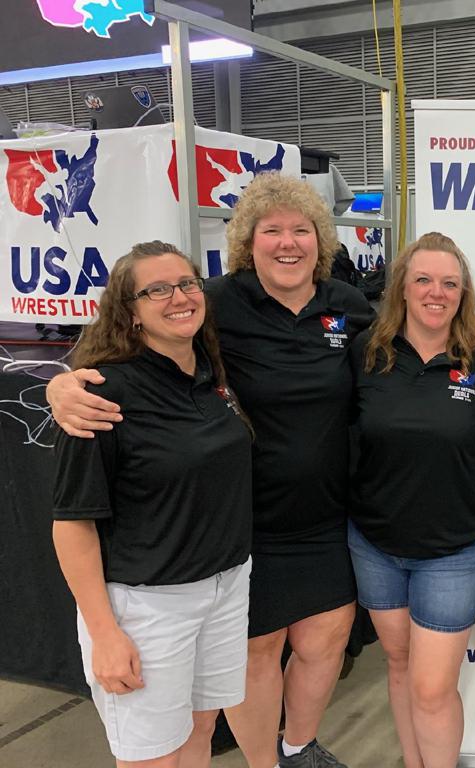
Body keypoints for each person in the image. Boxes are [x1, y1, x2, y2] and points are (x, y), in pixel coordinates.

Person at [47, 173, 376, 768]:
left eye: (301, 230)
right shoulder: (216, 303)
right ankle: (263, 760)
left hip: (319, 514)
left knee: (324, 638)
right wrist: (61, 385)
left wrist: (473, 340)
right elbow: (113, 352)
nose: (288, 242)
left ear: (321, 240)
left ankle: (298, 747)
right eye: (271, 230)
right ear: (248, 242)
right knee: (255, 655)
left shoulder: (347, 305)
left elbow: (403, 351)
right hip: (243, 523)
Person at [52, 241, 253, 767]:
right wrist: (104, 635)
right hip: (148, 607)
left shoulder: (209, 372)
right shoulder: (101, 395)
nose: (179, 297)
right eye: (157, 290)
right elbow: (72, 525)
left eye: (187, 284)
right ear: (130, 311)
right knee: (153, 757)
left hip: (225, 586)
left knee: (201, 730)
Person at [347, 232, 475, 768]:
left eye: (449, 284)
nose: (436, 293)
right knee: (398, 666)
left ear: (463, 294)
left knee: (432, 688)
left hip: (453, 549)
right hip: (375, 542)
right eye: (423, 280)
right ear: (402, 288)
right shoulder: (365, 351)